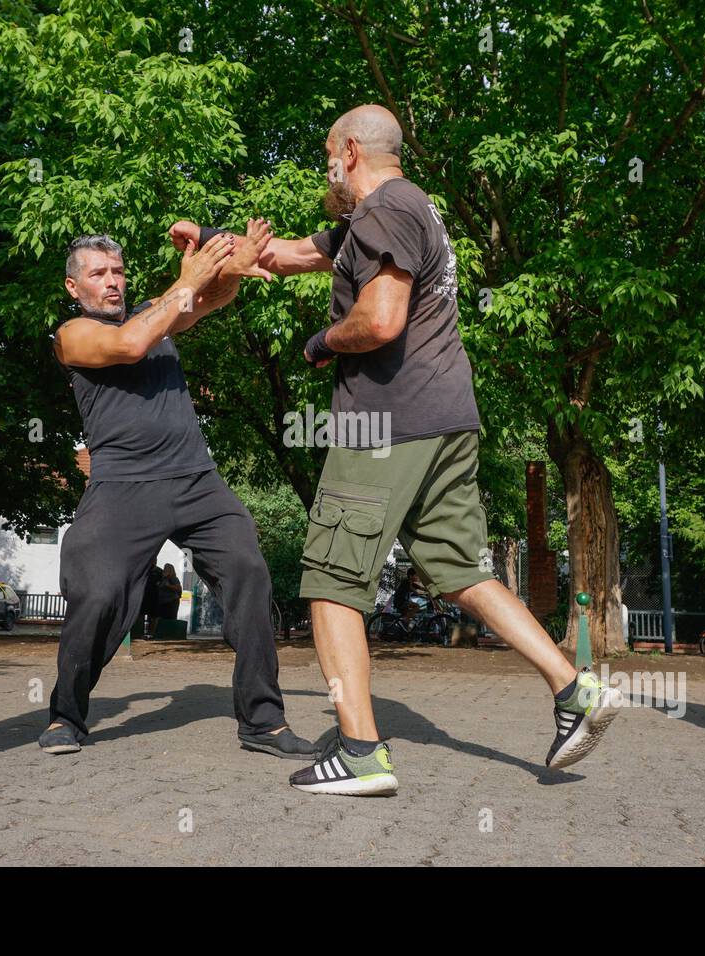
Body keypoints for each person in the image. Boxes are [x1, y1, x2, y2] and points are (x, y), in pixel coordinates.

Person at [171, 105, 623, 797]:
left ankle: (358, 751)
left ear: (349, 150)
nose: (325, 165)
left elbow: (381, 320)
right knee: (458, 570)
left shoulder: (385, 211)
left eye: (327, 152)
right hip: (444, 419)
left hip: (386, 422)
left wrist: (321, 344)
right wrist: (210, 240)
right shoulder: (396, 213)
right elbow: (289, 255)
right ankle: (575, 690)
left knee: (329, 577)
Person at [38, 230, 316, 761]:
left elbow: (204, 301)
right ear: (74, 286)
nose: (112, 281)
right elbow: (128, 344)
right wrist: (188, 281)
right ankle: (65, 714)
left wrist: (230, 269)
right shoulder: (72, 334)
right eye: (98, 274)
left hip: (195, 480)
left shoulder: (154, 314)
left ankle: (263, 720)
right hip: (122, 488)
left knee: (249, 574)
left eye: (117, 271)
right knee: (96, 596)